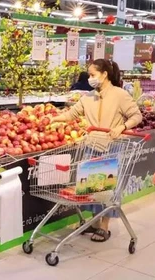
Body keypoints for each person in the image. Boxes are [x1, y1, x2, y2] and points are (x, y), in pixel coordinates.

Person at [51, 59, 142, 243]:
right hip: (92, 146)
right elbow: (71, 114)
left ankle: (104, 226)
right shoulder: (88, 97)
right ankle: (93, 222)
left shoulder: (120, 95)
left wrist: (122, 127)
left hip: (112, 145)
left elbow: (136, 115)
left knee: (107, 189)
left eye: (93, 75)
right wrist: (53, 120)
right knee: (90, 188)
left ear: (104, 74)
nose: (90, 78)